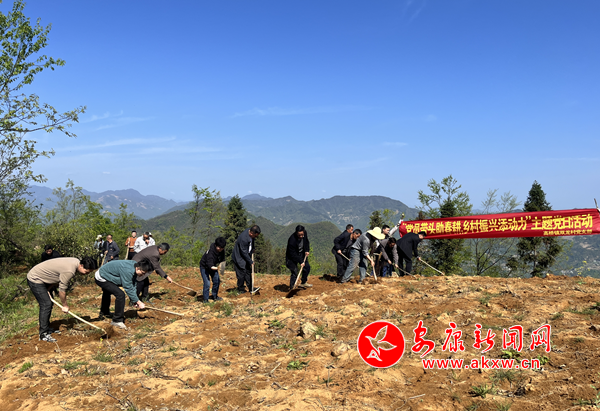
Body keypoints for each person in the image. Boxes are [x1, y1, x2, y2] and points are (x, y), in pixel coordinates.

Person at [27, 256, 96, 342]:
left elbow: (55, 276)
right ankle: (43, 334)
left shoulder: (76, 261)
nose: (86, 274)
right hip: (35, 278)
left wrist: (47, 289)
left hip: (43, 278)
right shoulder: (69, 271)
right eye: (86, 272)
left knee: (48, 303)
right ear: (81, 265)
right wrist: (65, 305)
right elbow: (62, 291)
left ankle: (46, 327)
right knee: (46, 304)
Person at [95, 258, 152, 329]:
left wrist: (134, 300)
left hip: (107, 274)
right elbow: (128, 287)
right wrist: (138, 302)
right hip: (102, 277)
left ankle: (104, 312)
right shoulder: (128, 270)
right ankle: (117, 320)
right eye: (143, 273)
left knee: (108, 291)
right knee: (120, 295)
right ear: (138, 268)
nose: (143, 275)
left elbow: (133, 284)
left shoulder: (134, 266)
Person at [232, 225, 261, 294]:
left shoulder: (250, 233)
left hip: (245, 256)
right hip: (239, 257)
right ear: (251, 233)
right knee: (241, 273)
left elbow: (252, 242)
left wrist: (253, 248)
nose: (256, 237)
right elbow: (243, 252)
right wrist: (250, 261)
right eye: (255, 236)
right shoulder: (243, 239)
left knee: (248, 272)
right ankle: (240, 289)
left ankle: (251, 288)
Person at [199, 237, 226, 302]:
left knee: (217, 281)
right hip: (205, 267)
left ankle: (214, 296)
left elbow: (222, 260)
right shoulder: (210, 253)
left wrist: (222, 267)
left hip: (213, 266)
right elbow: (210, 266)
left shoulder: (222, 251)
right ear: (216, 245)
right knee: (207, 283)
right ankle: (205, 300)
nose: (221, 249)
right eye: (219, 247)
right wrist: (218, 268)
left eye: (222, 248)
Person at [286, 225, 311, 289]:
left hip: (302, 253)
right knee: (294, 271)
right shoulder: (292, 240)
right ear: (296, 233)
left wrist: (307, 250)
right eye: (299, 235)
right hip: (292, 257)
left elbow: (306, 242)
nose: (301, 236)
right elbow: (292, 254)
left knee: (307, 267)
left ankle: (303, 282)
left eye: (302, 234)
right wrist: (301, 261)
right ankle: (292, 287)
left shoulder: (304, 233)